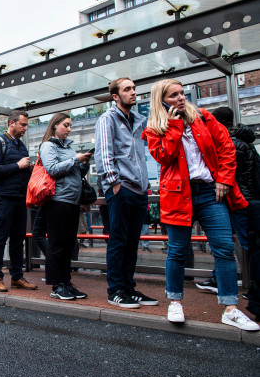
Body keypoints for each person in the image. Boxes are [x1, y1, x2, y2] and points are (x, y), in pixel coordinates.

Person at [142, 78, 258, 331]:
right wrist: (173, 127)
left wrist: (224, 180)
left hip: (209, 192)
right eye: (173, 95)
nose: (181, 98)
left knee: (225, 249)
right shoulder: (154, 128)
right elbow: (164, 156)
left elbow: (227, 148)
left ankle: (230, 308)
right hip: (177, 194)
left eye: (182, 94)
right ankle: (175, 301)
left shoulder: (203, 117)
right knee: (177, 251)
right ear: (161, 100)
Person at [94, 77, 157, 309]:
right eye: (127, 89)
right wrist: (114, 183)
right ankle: (116, 291)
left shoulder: (138, 119)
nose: (133, 93)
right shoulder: (107, 119)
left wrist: (145, 185)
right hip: (121, 189)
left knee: (132, 242)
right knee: (119, 241)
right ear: (115, 96)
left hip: (139, 190)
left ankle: (129, 288)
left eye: (134, 89)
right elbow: (104, 154)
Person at [204, 106, 260, 319]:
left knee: (241, 243)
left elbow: (228, 173)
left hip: (238, 199)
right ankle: (221, 279)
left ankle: (248, 287)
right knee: (240, 243)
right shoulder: (245, 141)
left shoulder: (229, 143)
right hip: (249, 198)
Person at [39, 113, 92, 300]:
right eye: (66, 125)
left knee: (69, 244)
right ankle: (56, 285)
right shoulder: (47, 146)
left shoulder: (69, 148)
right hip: (57, 201)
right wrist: (76, 159)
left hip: (72, 200)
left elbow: (73, 172)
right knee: (57, 245)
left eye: (70, 125)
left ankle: (66, 282)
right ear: (54, 126)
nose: (69, 129)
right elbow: (52, 169)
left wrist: (84, 163)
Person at [0, 110, 37, 292]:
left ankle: (17, 277)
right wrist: (18, 165)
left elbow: (17, 169)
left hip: (19, 198)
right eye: (22, 124)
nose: (25, 128)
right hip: (2, 199)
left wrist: (28, 168)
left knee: (17, 240)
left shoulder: (21, 146)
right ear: (12, 123)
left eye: (26, 125)